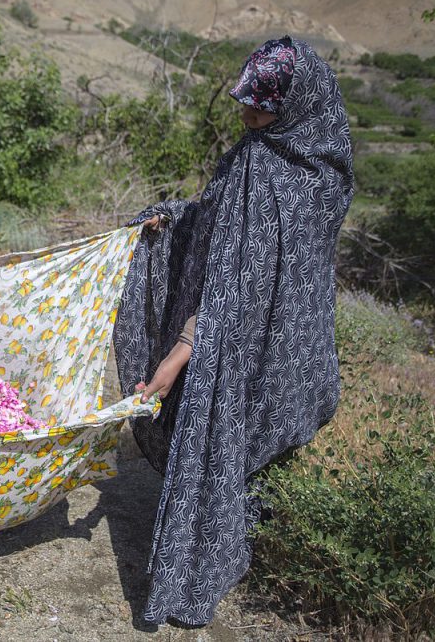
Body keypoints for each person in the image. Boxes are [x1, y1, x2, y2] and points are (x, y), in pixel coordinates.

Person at [113, 35, 354, 626]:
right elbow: (222, 228)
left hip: (264, 339)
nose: (245, 113)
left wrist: (177, 358)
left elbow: (241, 282)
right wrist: (174, 219)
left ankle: (209, 556)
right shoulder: (293, 158)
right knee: (240, 447)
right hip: (268, 337)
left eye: (259, 104)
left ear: (297, 105)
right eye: (244, 100)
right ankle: (242, 532)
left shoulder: (292, 168)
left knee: (230, 439)